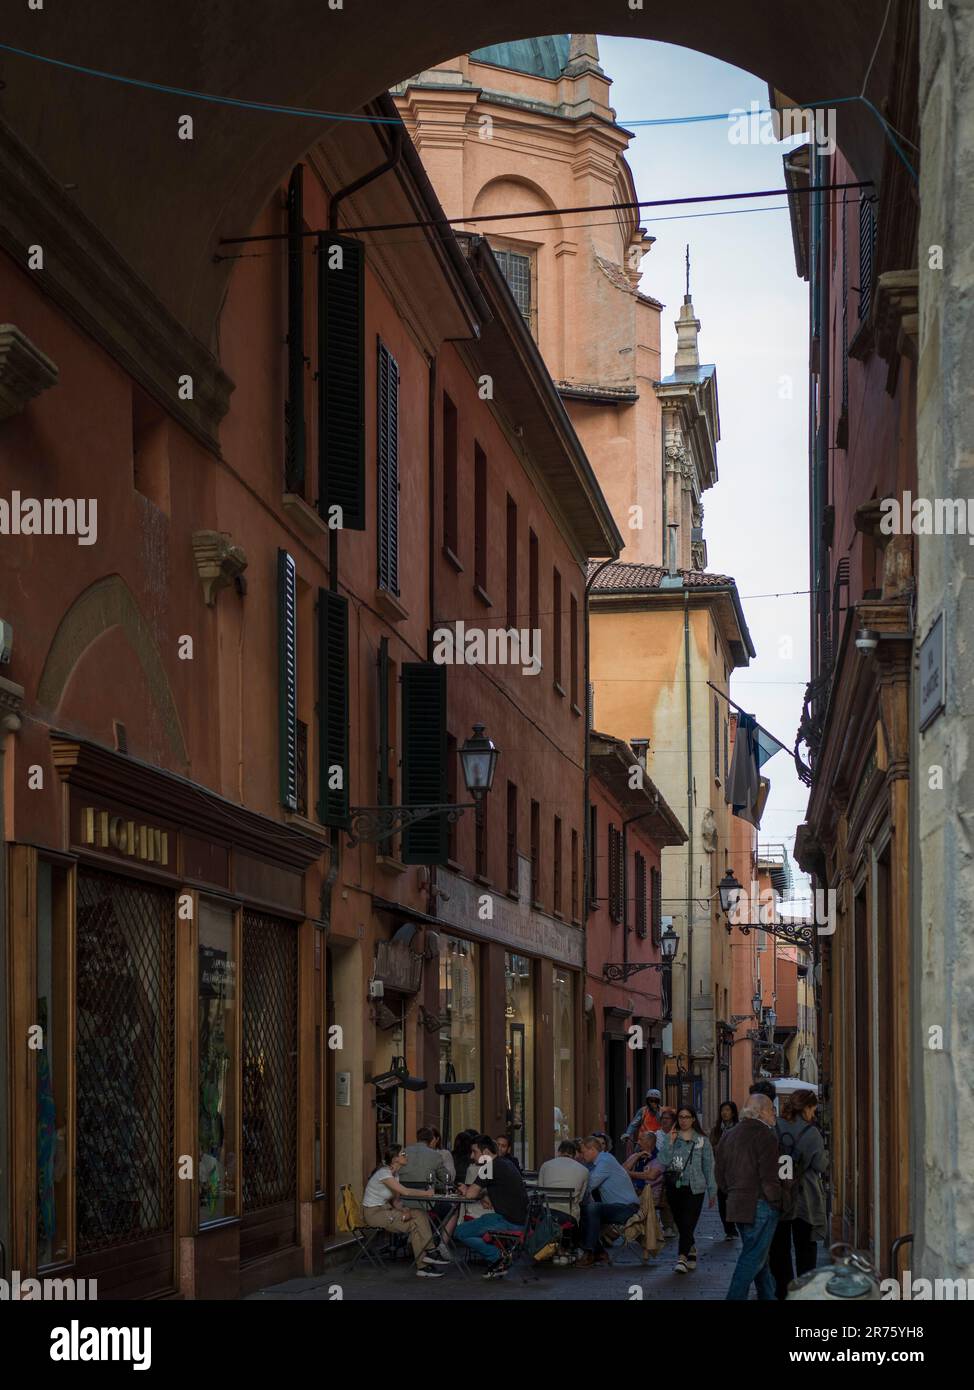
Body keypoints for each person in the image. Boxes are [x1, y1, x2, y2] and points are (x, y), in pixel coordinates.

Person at [715, 1093, 783, 1300]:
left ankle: (768, 1296)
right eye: (772, 1109)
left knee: (758, 1256)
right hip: (760, 1204)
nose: (775, 1114)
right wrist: (777, 1201)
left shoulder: (729, 1134)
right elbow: (769, 1176)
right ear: (761, 1111)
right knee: (753, 1257)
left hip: (737, 1204)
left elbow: (720, 1173)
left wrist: (732, 1192)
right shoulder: (766, 1134)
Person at [768, 1089, 828, 1299]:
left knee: (779, 1248)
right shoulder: (812, 1133)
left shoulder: (775, 1127)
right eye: (813, 1108)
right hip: (805, 1198)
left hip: (780, 1196)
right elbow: (821, 1165)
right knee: (806, 1248)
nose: (814, 1113)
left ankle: (784, 1288)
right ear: (806, 1108)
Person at [362, 1145, 449, 1278]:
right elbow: (405, 1191)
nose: (406, 1156)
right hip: (374, 1214)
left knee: (418, 1217)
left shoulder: (395, 1175)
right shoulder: (384, 1173)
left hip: (387, 1210)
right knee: (417, 1221)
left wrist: (404, 1209)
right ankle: (428, 1255)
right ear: (395, 1158)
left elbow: (396, 1201)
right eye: (403, 1154)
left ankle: (424, 1263)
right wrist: (426, 1194)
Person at [455, 1135, 529, 1280]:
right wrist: (481, 1194)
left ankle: (497, 1257)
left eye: (475, 1152)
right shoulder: (504, 1163)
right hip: (520, 1221)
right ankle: (499, 1258)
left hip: (508, 1222)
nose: (472, 1156)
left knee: (460, 1232)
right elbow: (493, 1188)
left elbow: (470, 1195)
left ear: (486, 1152)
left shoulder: (488, 1167)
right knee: (485, 1218)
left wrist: (466, 1190)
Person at [656, 1105, 717, 1274]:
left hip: (695, 1187)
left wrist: (712, 1190)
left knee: (688, 1221)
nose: (683, 1120)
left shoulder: (702, 1140)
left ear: (693, 1119)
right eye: (681, 1117)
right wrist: (670, 1142)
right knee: (681, 1223)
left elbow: (708, 1166)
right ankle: (691, 1249)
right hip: (675, 1186)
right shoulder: (672, 1137)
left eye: (687, 1117)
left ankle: (682, 1258)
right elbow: (663, 1160)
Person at [575, 1135, 639, 1267]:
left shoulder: (605, 1161)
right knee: (581, 1212)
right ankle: (599, 1253)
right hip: (618, 1206)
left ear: (592, 1149)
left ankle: (590, 1252)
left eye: (583, 1151)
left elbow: (590, 1184)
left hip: (627, 1208)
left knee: (593, 1208)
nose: (582, 1154)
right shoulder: (599, 1162)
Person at [538, 1140, 590, 1222]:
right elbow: (580, 1198)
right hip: (569, 1215)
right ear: (574, 1154)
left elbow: (540, 1191)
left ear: (559, 1152)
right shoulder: (584, 1170)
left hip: (546, 1213)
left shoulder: (545, 1165)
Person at [711, 1101, 740, 1239]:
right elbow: (712, 1147)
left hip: (735, 1170)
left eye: (727, 1110)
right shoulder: (717, 1130)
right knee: (722, 1201)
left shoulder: (739, 1129)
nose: (724, 1113)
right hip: (721, 1170)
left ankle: (733, 1228)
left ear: (733, 1113)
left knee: (734, 1200)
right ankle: (729, 1229)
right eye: (723, 1110)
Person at [623, 1130, 665, 1205]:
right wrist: (637, 1156)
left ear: (649, 1142)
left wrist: (629, 1173)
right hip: (633, 1193)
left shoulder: (660, 1157)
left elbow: (651, 1176)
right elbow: (622, 1170)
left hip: (651, 1196)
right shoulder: (637, 1154)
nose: (638, 1142)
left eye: (641, 1140)